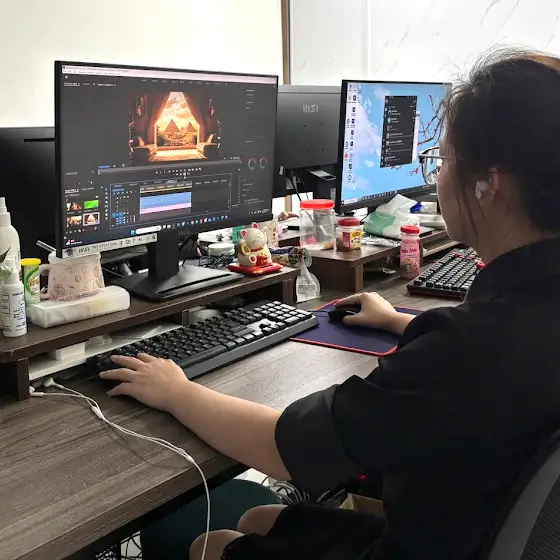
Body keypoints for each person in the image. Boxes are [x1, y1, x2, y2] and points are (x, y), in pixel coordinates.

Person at [102, 49, 560, 559]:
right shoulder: (518, 315)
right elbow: (493, 360)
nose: (436, 177)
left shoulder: (469, 348)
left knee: (214, 544)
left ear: (489, 185)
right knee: (260, 517)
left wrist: (176, 391)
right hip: (475, 530)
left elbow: (284, 450)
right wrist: (401, 323)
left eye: (441, 160)